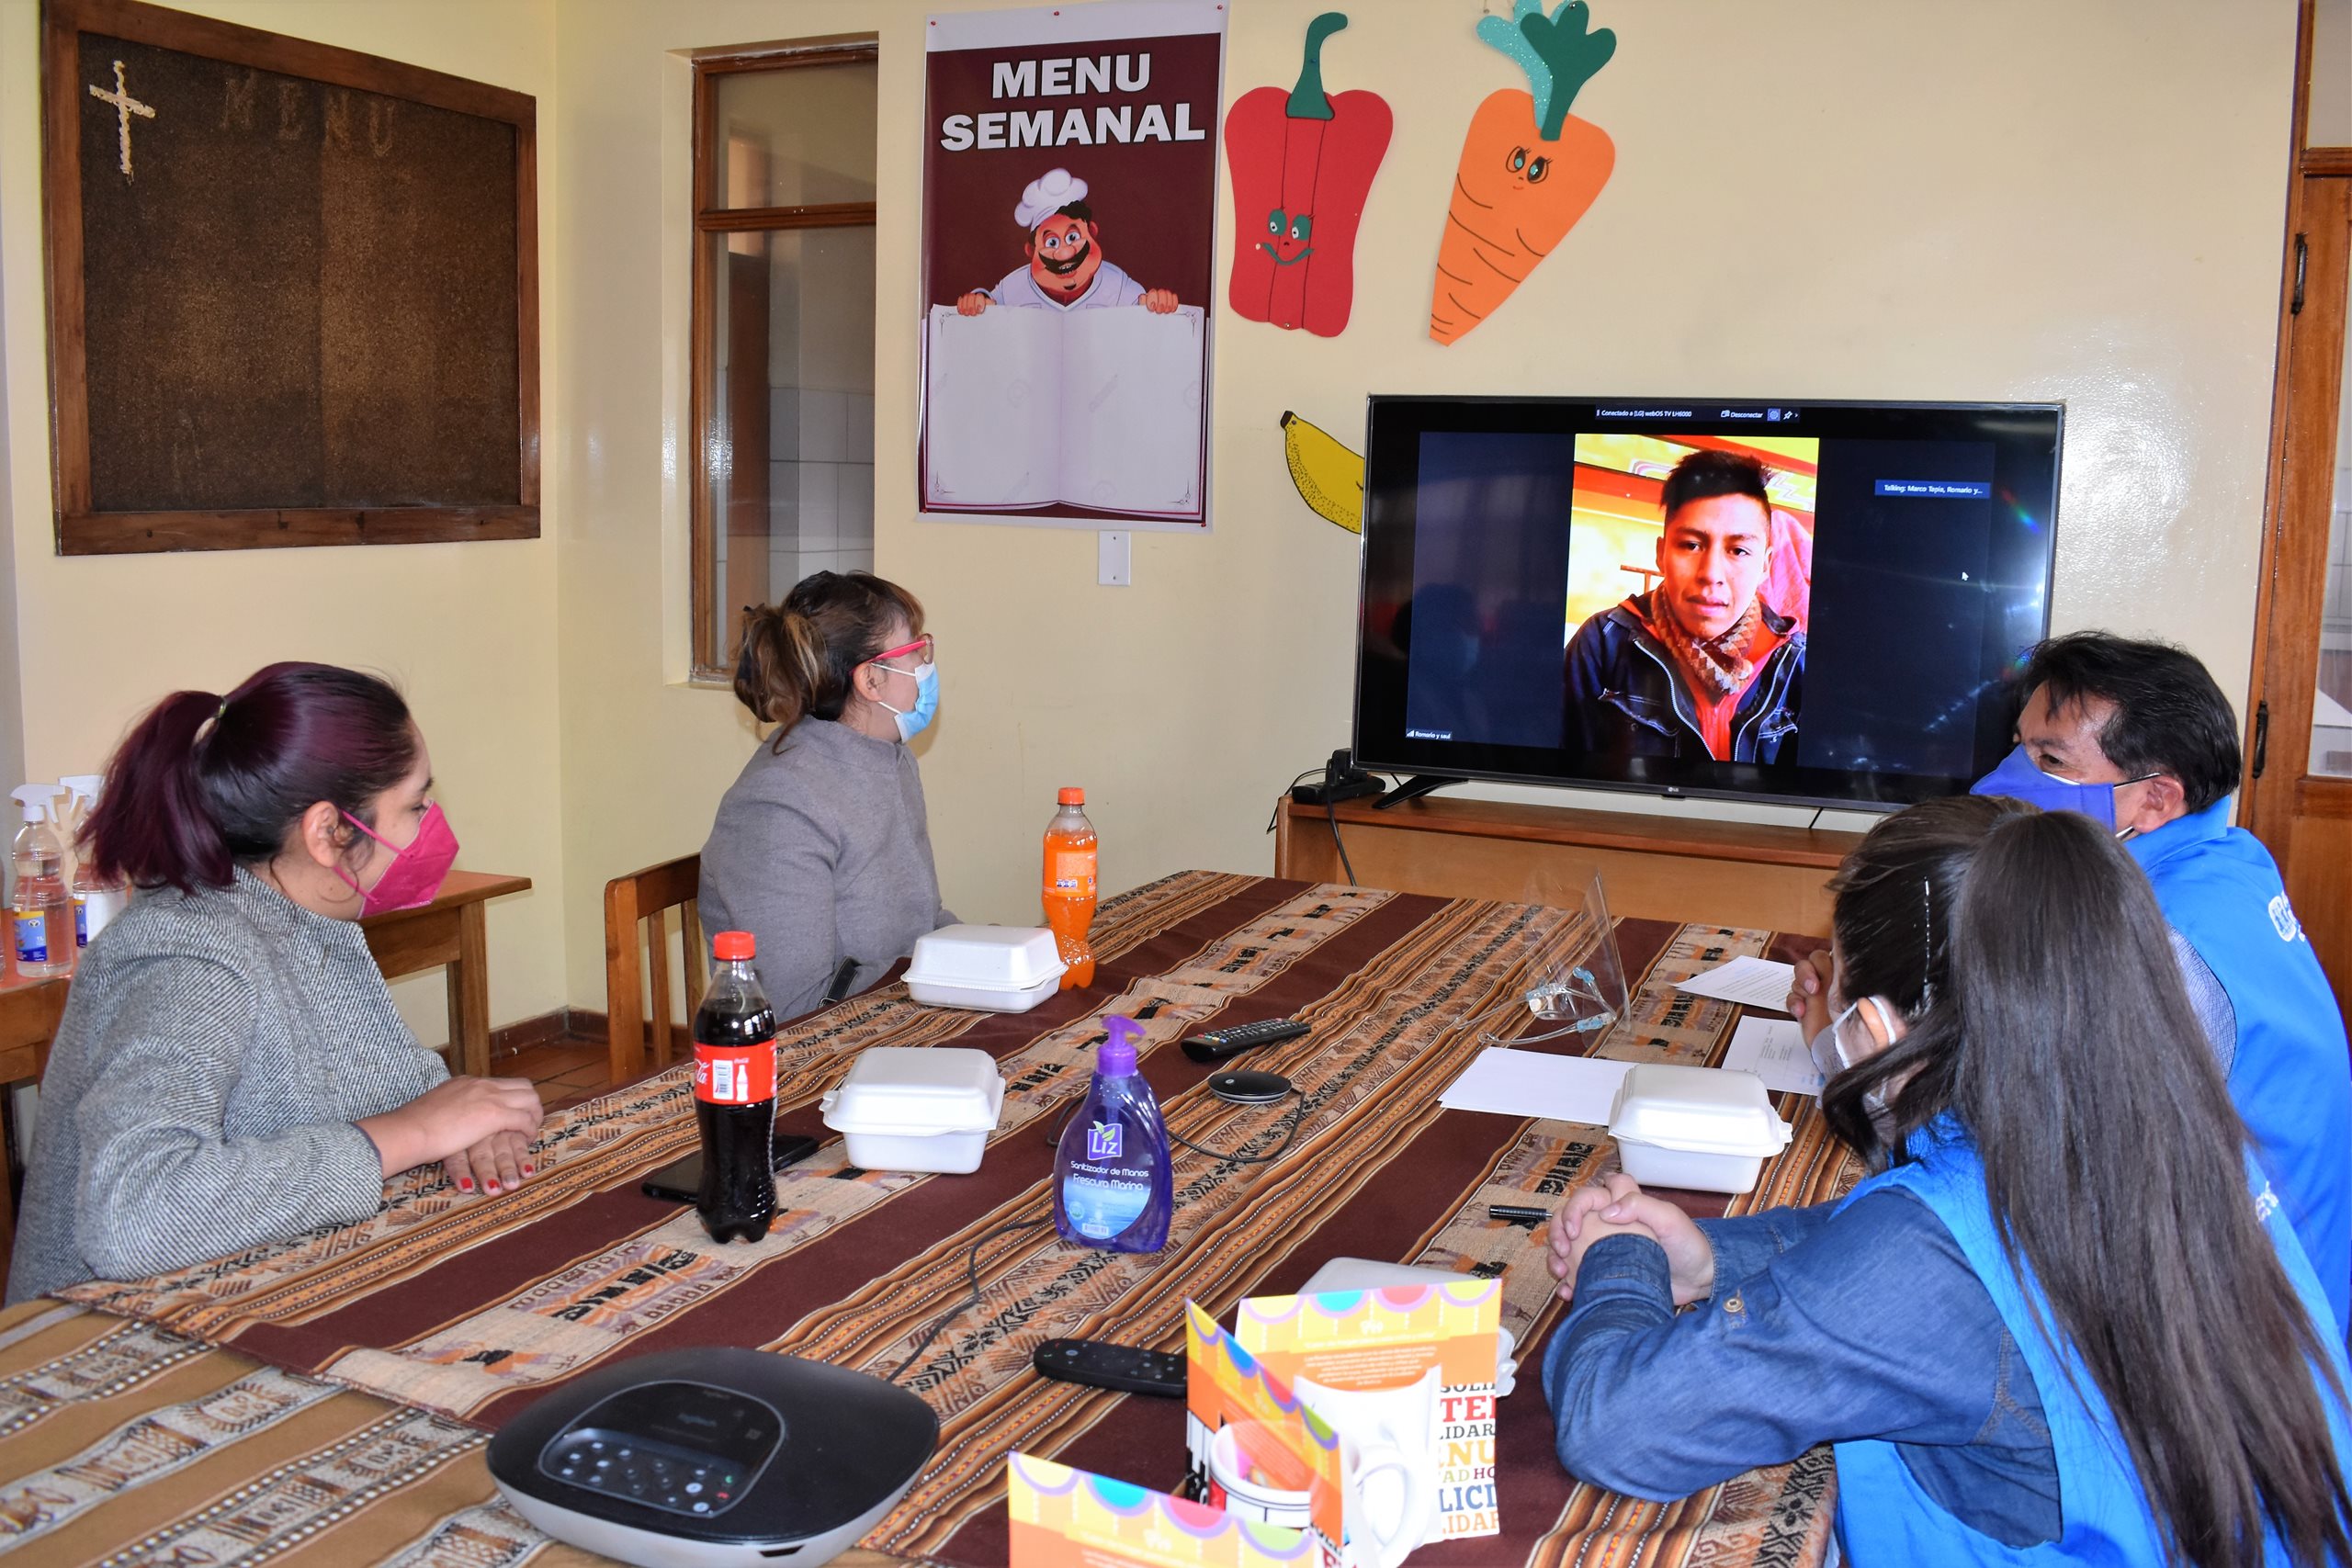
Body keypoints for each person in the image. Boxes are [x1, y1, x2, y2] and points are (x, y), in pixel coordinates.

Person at [1545, 798, 2352, 1562]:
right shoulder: (2144, 1114)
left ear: (1876, 1028)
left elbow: (1615, 1423)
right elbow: (1913, 1232)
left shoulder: (1927, 1261)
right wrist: (1711, 1259)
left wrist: (1618, 1254)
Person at [7, 664, 545, 1304]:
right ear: (328, 832)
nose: (430, 823)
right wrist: (416, 1134)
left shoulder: (312, 917)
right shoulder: (186, 953)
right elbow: (135, 1214)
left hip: (263, 1286)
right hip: (112, 1335)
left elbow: (393, 1085)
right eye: (414, 805)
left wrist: (471, 1123)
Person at [1952, 630, 2348, 1329]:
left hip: (2245, 1327)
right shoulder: (2232, 853)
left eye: (2051, 760)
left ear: (2157, 799)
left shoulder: (2161, 943)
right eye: (2020, 747)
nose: (2001, 781)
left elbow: (2053, 1155)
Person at [700, 570, 956, 1021]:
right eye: (915, 649)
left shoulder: (891, 759)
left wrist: (993, 955)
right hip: (829, 1039)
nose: (925, 662)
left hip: (901, 1010)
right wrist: (930, 978)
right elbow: (794, 1005)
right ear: (871, 681)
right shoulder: (777, 805)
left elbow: (923, 922)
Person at [1562, 449, 1804, 762]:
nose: (1711, 574)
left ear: (1765, 565)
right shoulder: (1602, 642)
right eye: (1691, 545)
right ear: (1661, 554)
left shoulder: (1795, 662)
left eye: (1738, 551)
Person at [956, 168, 1182, 314]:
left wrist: (1157, 303)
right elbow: (988, 307)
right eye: (1051, 242)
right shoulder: (1014, 286)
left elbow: (1143, 310)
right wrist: (978, 302)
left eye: (1073, 237)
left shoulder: (1116, 283)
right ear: (1031, 250)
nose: (1065, 254)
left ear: (1091, 232)